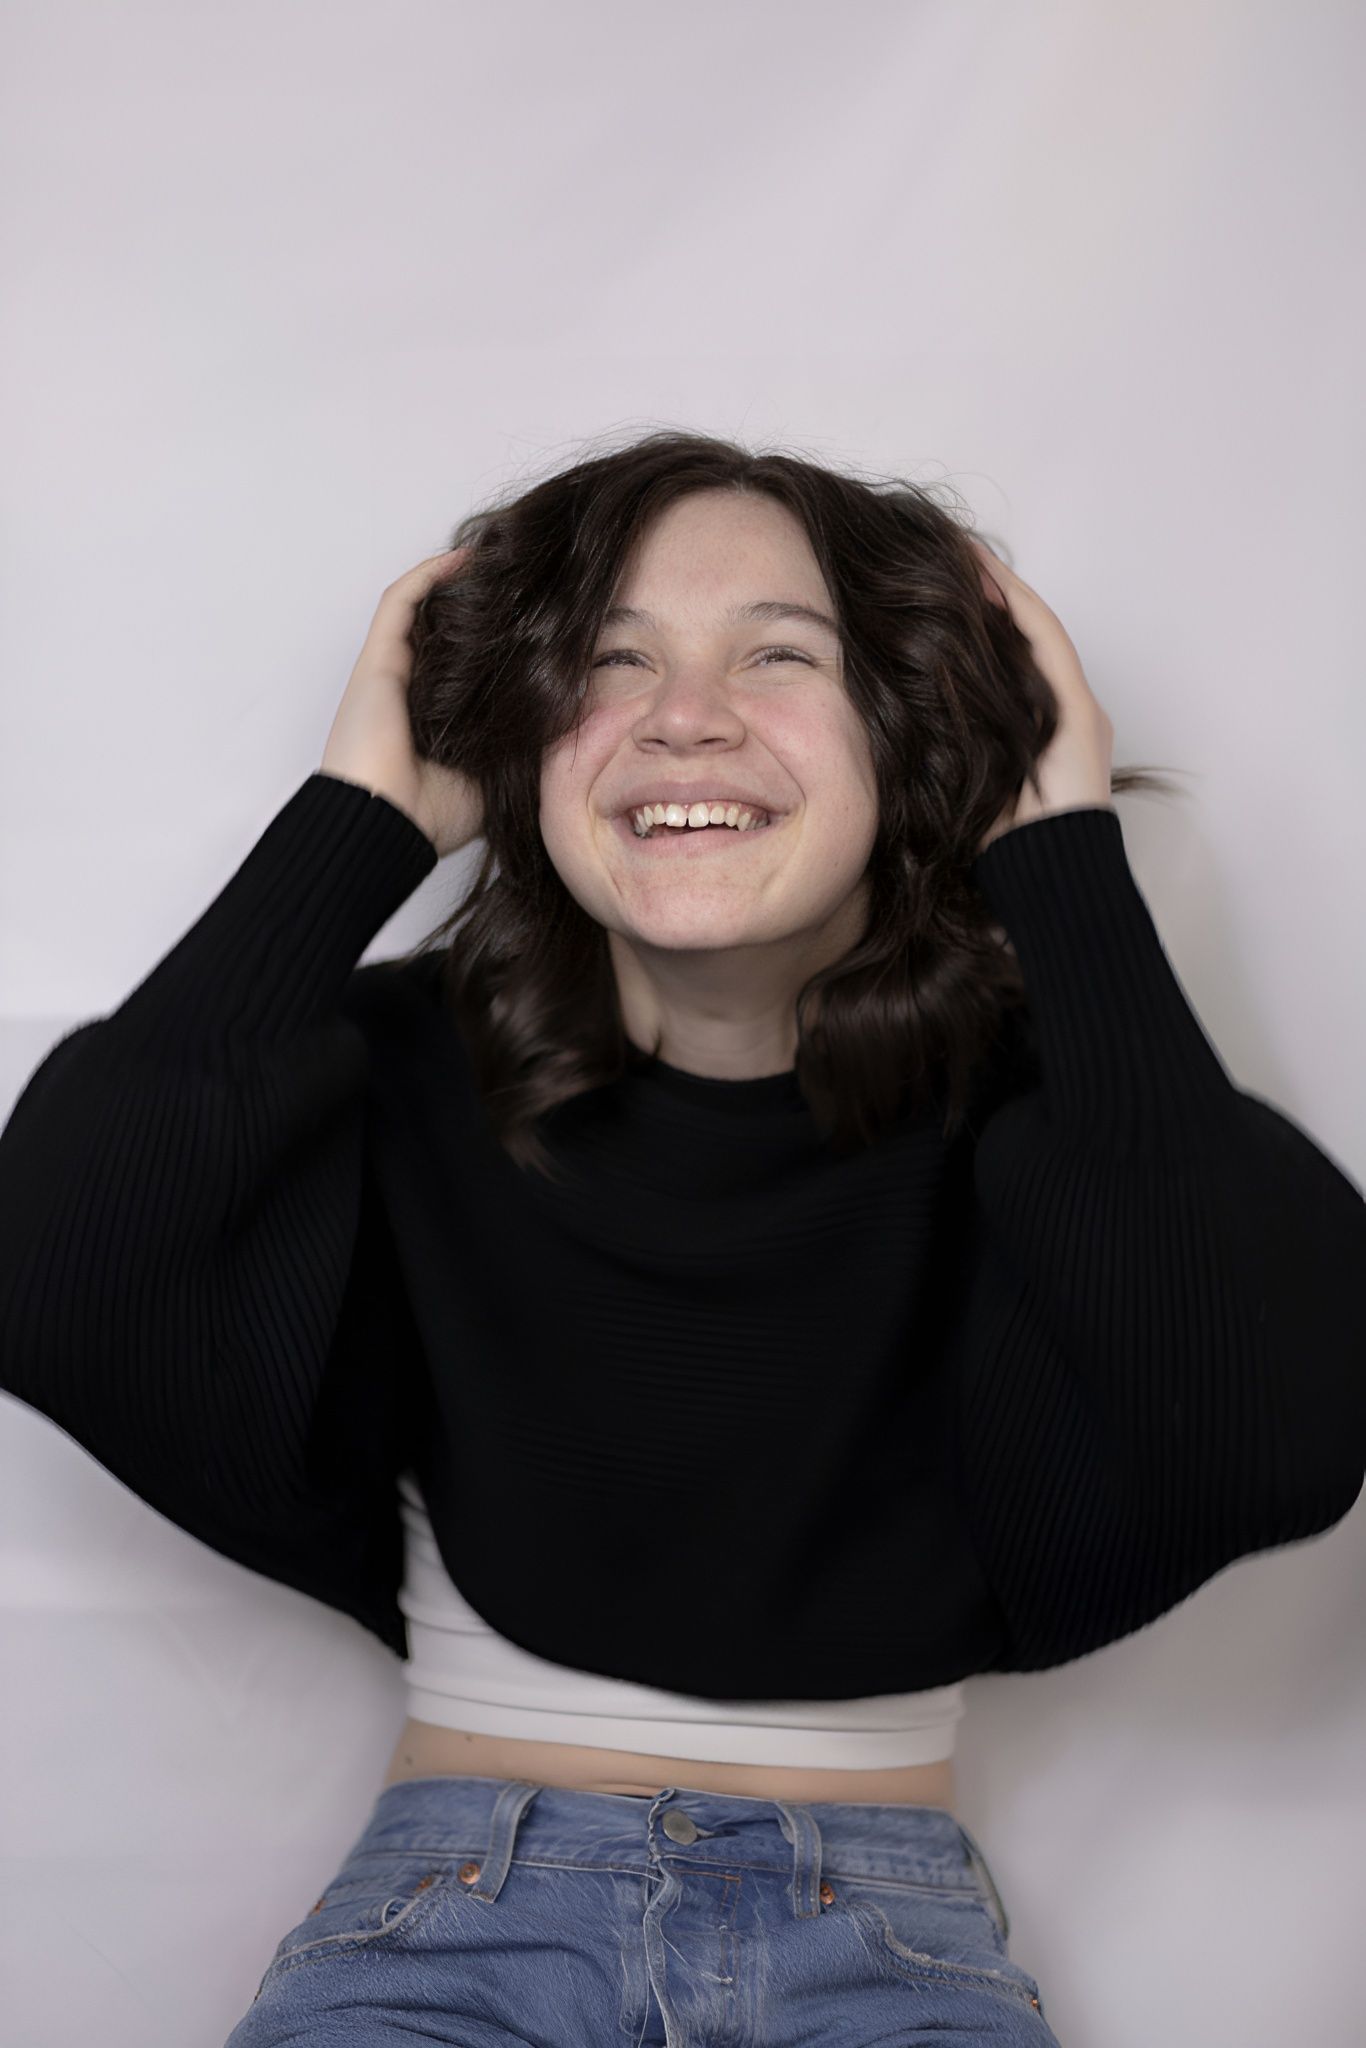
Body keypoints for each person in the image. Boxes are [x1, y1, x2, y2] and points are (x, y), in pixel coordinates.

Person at [2, 438, 1362, 2046]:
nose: (683, 714)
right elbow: (47, 1264)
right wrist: (362, 817)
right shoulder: (391, 1071)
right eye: (604, 662)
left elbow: (1285, 1430)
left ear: (915, 728)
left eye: (777, 655)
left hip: (883, 1945)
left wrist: (1053, 856)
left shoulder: (1063, 1133)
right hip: (458, 1920)